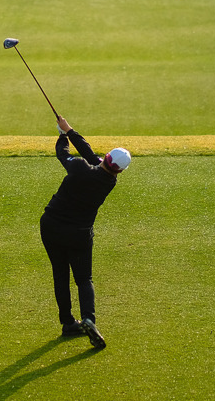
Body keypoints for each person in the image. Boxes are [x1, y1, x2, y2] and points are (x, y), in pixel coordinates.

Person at [39, 115, 130, 350]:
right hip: (79, 234)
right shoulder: (109, 181)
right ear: (118, 170)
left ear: (107, 157)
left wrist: (62, 135)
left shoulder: (79, 168)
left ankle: (68, 323)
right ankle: (89, 318)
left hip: (51, 226)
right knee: (83, 279)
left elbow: (63, 154)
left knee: (60, 274)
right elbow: (90, 154)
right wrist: (69, 130)